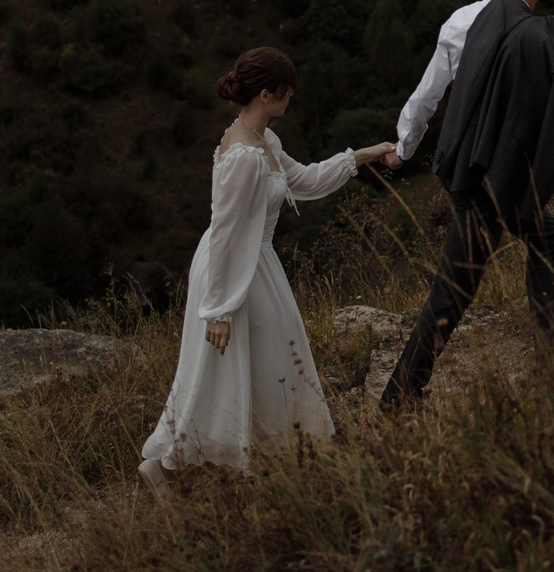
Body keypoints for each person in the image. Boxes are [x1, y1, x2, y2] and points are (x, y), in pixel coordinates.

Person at [138, 47, 400, 485]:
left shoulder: (264, 141)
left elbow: (308, 180)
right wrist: (218, 309)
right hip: (234, 266)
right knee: (221, 367)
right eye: (286, 93)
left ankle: (253, 461)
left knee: (258, 360)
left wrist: (366, 155)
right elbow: (225, 231)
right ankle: (169, 463)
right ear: (265, 94)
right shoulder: (243, 155)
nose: (290, 100)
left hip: (253, 262)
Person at [383, 0, 554, 403]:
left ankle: (551, 356)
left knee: (545, 235)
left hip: (472, 174)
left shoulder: (461, 22)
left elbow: (427, 96)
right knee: (453, 291)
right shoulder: (535, 35)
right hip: (502, 181)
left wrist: (404, 147)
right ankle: (399, 393)